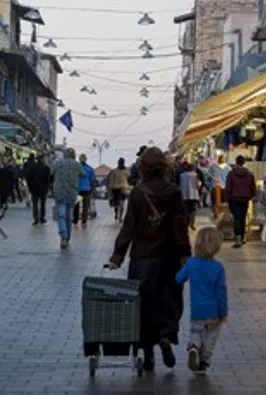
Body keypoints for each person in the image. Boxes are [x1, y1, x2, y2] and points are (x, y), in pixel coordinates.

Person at [108, 147, 191, 371]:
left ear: (143, 168)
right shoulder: (173, 192)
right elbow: (179, 226)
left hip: (142, 259)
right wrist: (185, 254)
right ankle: (165, 336)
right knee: (169, 301)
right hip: (169, 258)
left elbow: (129, 227)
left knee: (143, 306)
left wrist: (117, 256)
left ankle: (148, 356)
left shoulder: (137, 193)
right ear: (164, 167)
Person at [176, 227, 228, 374]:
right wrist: (223, 312)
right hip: (214, 311)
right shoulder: (218, 268)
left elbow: (178, 278)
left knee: (196, 331)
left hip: (197, 309)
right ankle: (204, 361)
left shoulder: (192, 264)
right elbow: (221, 292)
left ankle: (193, 346)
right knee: (211, 336)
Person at [51, 148, 85, 249]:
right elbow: (83, 174)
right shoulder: (76, 164)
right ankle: (68, 238)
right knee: (68, 216)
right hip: (72, 193)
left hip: (59, 192)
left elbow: (51, 172)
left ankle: (63, 234)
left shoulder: (58, 163)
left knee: (61, 215)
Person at [224, 155, 256, 248]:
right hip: (245, 199)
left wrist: (227, 198)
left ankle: (238, 239)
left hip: (234, 198)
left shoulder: (231, 173)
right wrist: (250, 196)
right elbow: (253, 187)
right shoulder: (250, 174)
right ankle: (241, 238)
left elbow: (228, 187)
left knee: (237, 218)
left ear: (236, 162)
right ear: (244, 162)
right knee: (242, 218)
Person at [26, 154, 51, 225]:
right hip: (44, 189)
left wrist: (30, 187)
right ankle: (42, 218)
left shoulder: (32, 167)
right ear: (43, 159)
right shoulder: (46, 168)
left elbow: (29, 178)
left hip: (34, 189)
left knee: (35, 204)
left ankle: (36, 219)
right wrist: (48, 187)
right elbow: (49, 179)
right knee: (43, 204)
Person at [72, 154, 96, 228]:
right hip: (86, 189)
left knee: (77, 205)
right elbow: (92, 180)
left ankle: (76, 221)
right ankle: (83, 222)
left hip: (78, 189)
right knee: (85, 206)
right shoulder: (90, 169)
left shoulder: (75, 168)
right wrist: (92, 189)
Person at [178, 161, 200, 230]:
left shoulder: (182, 175)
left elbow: (179, 184)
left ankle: (186, 224)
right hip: (194, 195)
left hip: (184, 195)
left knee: (186, 210)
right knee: (193, 211)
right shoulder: (195, 175)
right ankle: (192, 224)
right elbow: (198, 185)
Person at [208, 155, 229, 219]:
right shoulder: (228, 168)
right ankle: (222, 216)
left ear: (218, 160)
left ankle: (216, 215)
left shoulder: (213, 167)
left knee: (214, 202)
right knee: (224, 203)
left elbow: (209, 176)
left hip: (215, 187)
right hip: (224, 188)